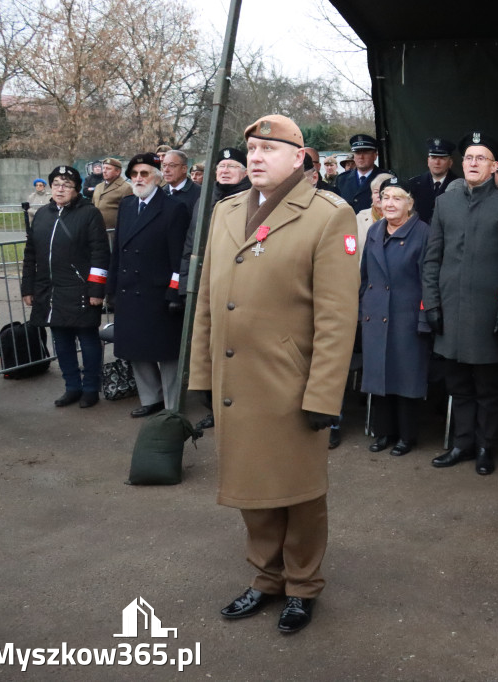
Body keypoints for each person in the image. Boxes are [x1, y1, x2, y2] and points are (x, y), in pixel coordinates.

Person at [189, 114, 359, 635]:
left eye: (267, 149)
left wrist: (324, 395)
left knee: (300, 491)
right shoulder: (226, 211)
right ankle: (266, 578)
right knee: (251, 485)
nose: (255, 158)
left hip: (291, 383)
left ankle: (302, 586)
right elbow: (210, 302)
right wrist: (200, 376)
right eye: (250, 150)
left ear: (299, 157)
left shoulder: (329, 214)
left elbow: (336, 317)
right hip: (237, 380)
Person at [423, 131, 498, 474]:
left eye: (481, 158)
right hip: (450, 311)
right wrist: (431, 305)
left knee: (488, 390)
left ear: (494, 167)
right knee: (458, 386)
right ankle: (462, 444)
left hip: (486, 314)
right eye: (468, 158)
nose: (473, 163)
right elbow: (432, 259)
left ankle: (484, 448)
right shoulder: (444, 203)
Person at [106, 153, 189, 417]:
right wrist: (111, 288)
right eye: (134, 174)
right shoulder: (127, 205)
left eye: (144, 173)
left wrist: (175, 291)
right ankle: (150, 398)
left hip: (159, 292)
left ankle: (172, 404)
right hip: (130, 290)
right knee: (137, 348)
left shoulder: (173, 208)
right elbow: (118, 251)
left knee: (166, 352)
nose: (139, 179)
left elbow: (179, 257)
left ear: (157, 176)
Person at [21, 166, 110, 408]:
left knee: (88, 339)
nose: (60, 189)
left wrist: (96, 290)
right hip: (50, 291)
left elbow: (100, 254)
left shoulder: (90, 214)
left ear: (76, 189)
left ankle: (91, 388)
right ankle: (72, 386)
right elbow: (31, 254)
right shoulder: (41, 215)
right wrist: (27, 288)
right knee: (61, 341)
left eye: (67, 185)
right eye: (57, 183)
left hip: (81, 290)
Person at [177, 147, 252, 436]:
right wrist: (186, 285)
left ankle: (242, 410)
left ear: (245, 172)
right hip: (205, 287)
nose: (224, 170)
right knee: (209, 349)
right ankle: (215, 408)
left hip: (236, 287)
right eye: (221, 165)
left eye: (232, 166)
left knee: (237, 351)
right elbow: (190, 245)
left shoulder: (253, 199)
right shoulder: (204, 198)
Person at [360, 177, 432, 457]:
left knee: (406, 378)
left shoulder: (422, 232)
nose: (389, 203)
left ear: (409, 204)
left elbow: (429, 279)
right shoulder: (375, 230)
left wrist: (425, 317)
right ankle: (383, 433)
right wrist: (362, 308)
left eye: (397, 198)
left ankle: (406, 436)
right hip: (376, 315)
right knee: (379, 377)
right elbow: (365, 275)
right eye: (385, 197)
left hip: (407, 316)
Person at [407, 137, 458, 224]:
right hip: (420, 235)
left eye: (442, 158)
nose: (437, 162)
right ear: (428, 161)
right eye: (433, 157)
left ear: (450, 163)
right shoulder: (414, 184)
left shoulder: (459, 186)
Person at [335, 134, 389, 214]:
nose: (361, 157)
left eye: (366, 152)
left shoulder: (386, 178)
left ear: (375, 156)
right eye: (357, 152)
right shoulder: (342, 179)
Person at [356, 172, 394, 262]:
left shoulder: (399, 219)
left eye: (383, 192)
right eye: (376, 192)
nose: (379, 196)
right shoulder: (359, 218)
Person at [92, 157, 132, 240]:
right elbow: (93, 205)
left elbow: (129, 213)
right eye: (103, 168)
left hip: (114, 234)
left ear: (117, 172)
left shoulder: (126, 188)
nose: (104, 171)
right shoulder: (98, 187)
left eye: (108, 169)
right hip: (96, 231)